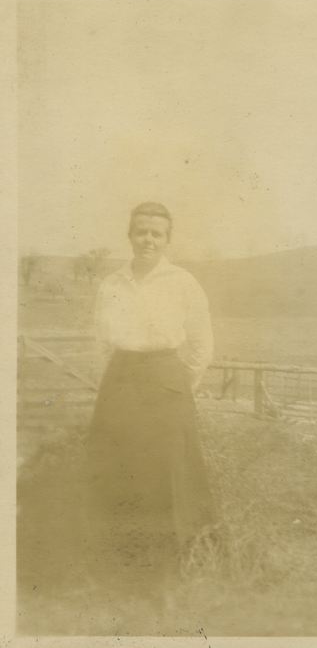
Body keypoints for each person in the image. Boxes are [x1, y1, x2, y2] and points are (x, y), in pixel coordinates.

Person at [83, 202, 216, 612]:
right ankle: (119, 572)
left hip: (166, 384)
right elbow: (99, 342)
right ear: (129, 235)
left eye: (157, 233)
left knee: (167, 476)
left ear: (167, 240)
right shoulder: (112, 284)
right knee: (118, 471)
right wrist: (115, 384)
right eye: (141, 231)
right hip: (121, 381)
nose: (148, 240)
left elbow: (200, 345)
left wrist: (175, 386)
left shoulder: (183, 282)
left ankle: (167, 578)